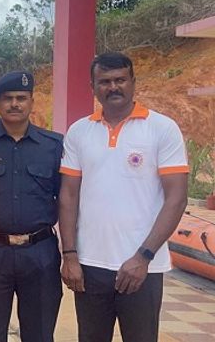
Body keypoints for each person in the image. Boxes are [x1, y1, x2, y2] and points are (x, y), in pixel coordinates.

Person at [59, 52, 188, 342]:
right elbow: (68, 196)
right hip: (89, 266)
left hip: (143, 266)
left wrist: (143, 256)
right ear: (93, 87)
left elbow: (176, 198)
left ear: (133, 83)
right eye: (104, 81)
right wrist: (69, 255)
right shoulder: (79, 131)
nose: (113, 87)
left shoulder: (162, 128)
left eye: (120, 80)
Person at [0, 71, 63, 342]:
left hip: (40, 252)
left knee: (40, 333)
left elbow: (65, 199)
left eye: (21, 98)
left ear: (32, 102)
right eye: (8, 98)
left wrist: (72, 253)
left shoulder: (53, 146)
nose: (14, 104)